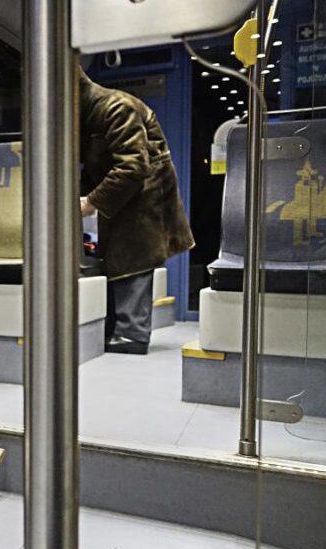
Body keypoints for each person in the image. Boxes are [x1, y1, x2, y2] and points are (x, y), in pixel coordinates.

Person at [79, 69, 195, 355]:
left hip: (146, 195)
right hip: (127, 195)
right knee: (115, 256)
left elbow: (133, 166)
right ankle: (118, 328)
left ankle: (131, 334)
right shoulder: (87, 113)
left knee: (132, 255)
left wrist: (90, 201)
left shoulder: (117, 107)